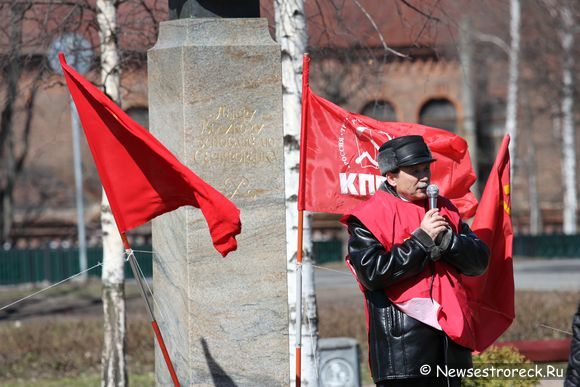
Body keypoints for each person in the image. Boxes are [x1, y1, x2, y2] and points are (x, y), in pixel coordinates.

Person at [341, 135, 490, 386]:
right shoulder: (367, 217)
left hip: (451, 349)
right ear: (391, 177)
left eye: (425, 168)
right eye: (414, 171)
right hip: (403, 354)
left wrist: (449, 243)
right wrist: (421, 241)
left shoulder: (445, 209)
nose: (424, 177)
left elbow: (479, 262)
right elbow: (372, 274)